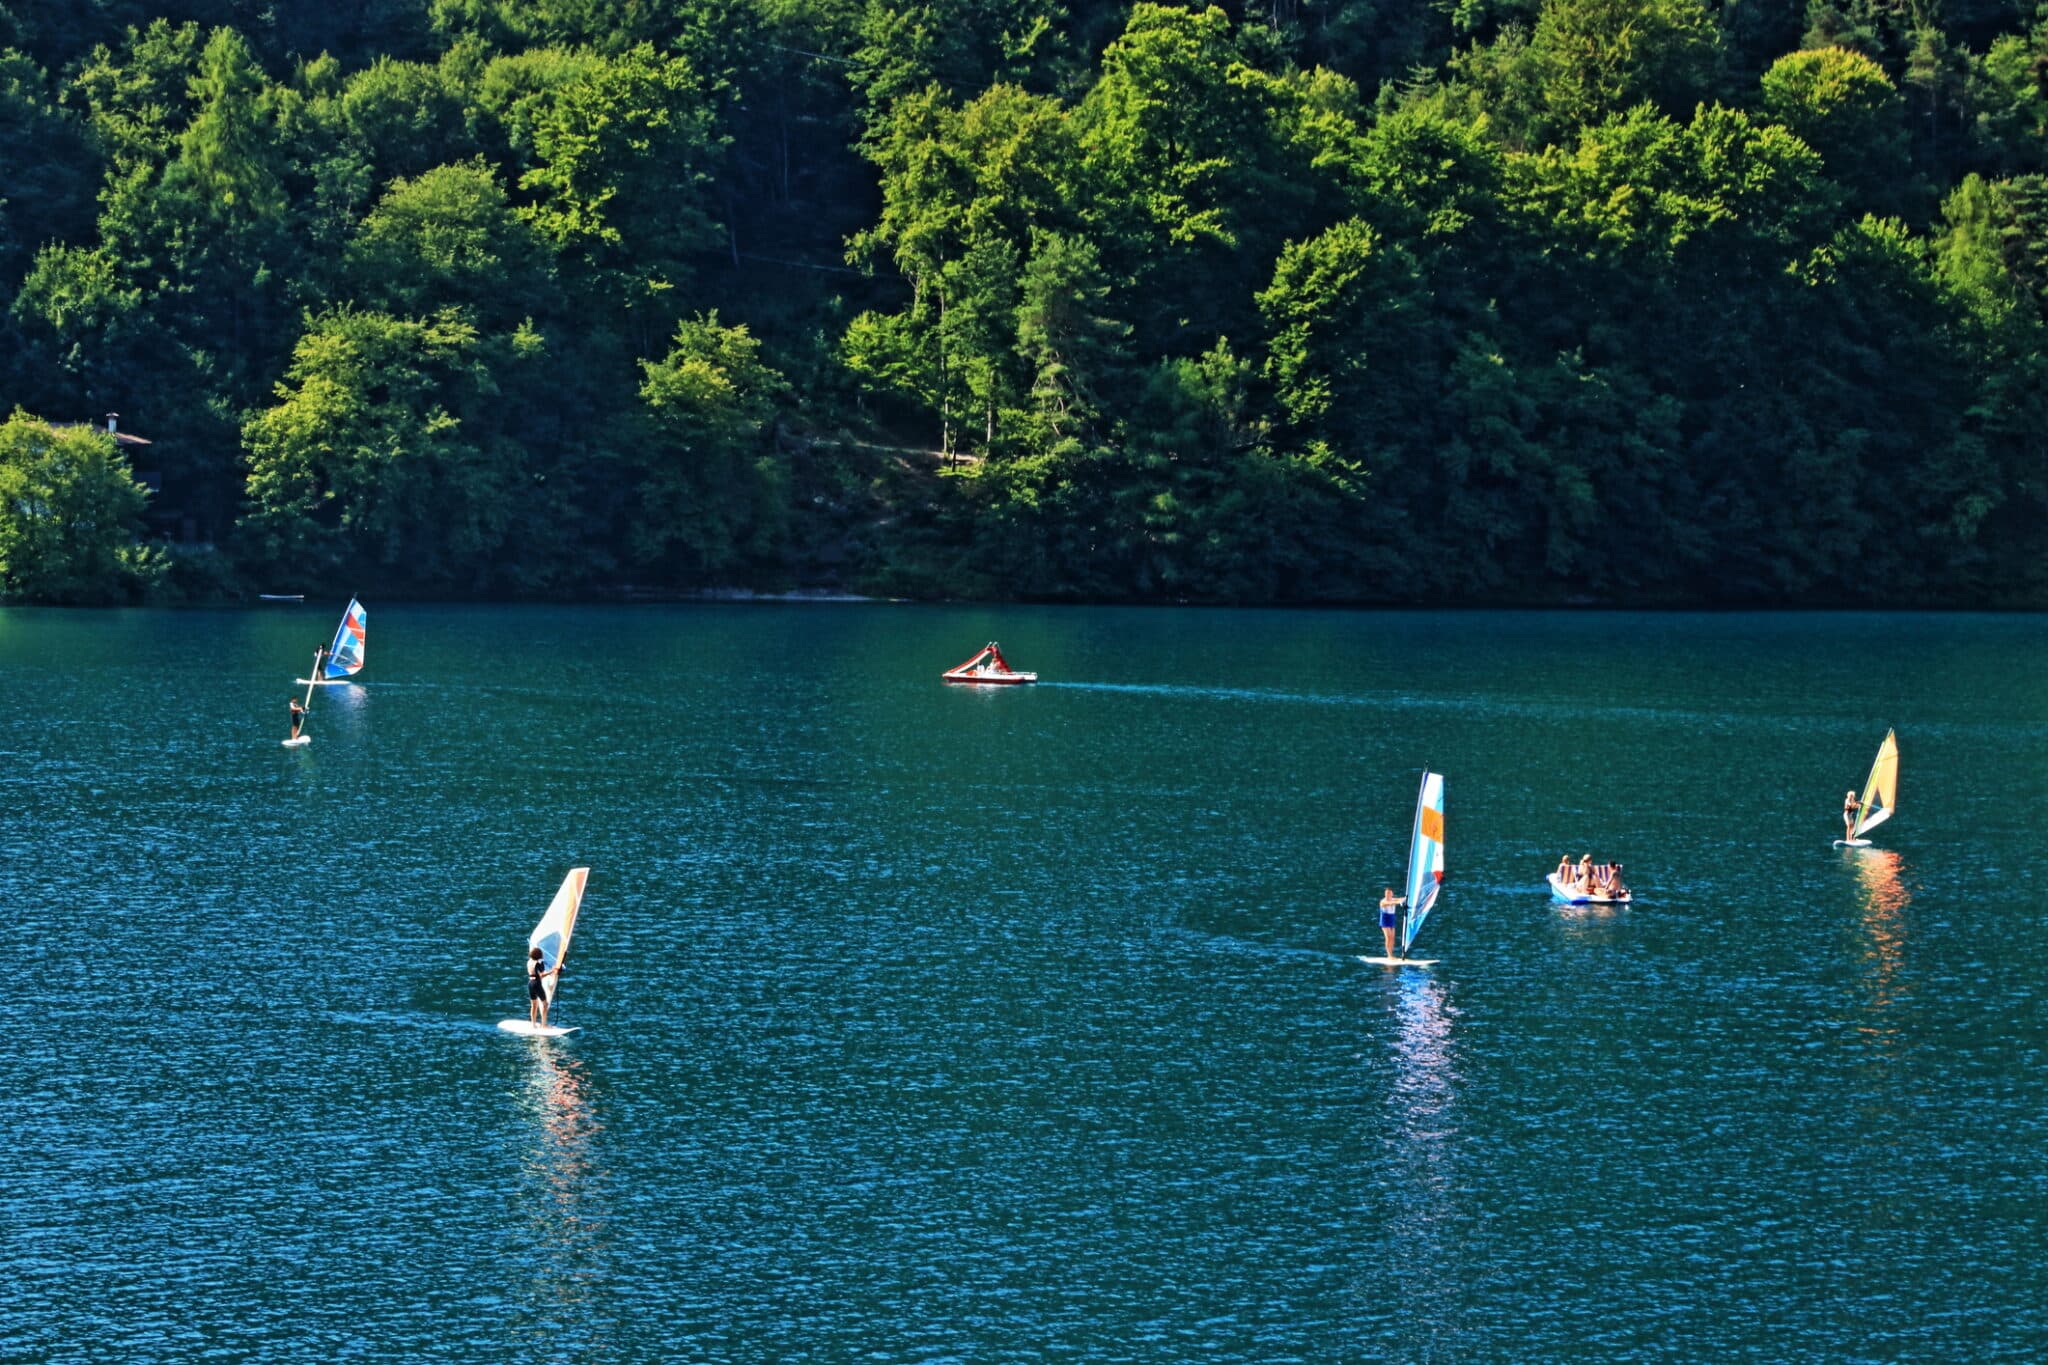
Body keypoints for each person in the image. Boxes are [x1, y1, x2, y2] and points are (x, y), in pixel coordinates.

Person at [527, 947, 562, 1026]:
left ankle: (533, 1025)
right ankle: (543, 1025)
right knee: (545, 1004)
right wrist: (552, 971)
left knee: (534, 1005)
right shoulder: (538, 963)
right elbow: (542, 975)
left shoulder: (529, 962)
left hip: (530, 984)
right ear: (539, 955)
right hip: (536, 984)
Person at [1379, 887, 1405, 958]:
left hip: (1391, 920)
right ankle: (1389, 955)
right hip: (1385, 921)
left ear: (1392, 894)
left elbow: (1400, 899)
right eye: (1387, 893)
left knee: (1392, 938)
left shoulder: (1394, 899)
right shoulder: (1383, 901)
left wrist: (1406, 898)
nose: (1388, 895)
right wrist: (1399, 902)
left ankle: (1391, 954)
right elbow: (1390, 903)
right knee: (1388, 937)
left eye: (1389, 893)